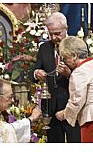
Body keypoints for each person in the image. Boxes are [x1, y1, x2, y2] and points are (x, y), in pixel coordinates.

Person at [55, 36, 93, 142]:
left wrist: (65, 114)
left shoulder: (79, 72)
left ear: (74, 56)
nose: (65, 62)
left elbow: (77, 100)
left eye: (65, 58)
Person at [30, 12, 81, 143]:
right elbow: (33, 71)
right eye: (50, 33)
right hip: (51, 107)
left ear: (66, 29)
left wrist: (69, 74)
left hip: (72, 107)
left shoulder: (77, 45)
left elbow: (85, 75)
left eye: (57, 33)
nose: (54, 37)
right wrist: (37, 73)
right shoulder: (45, 48)